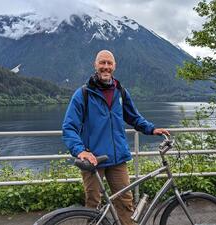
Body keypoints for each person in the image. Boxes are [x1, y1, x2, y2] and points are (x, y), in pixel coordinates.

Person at [62, 50, 169, 225]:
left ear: (114, 66)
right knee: (92, 205)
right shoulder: (83, 94)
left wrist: (152, 129)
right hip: (93, 158)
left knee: (125, 203)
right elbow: (69, 127)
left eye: (109, 63)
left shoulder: (120, 91)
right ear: (95, 65)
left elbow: (133, 117)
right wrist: (81, 151)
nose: (106, 67)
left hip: (118, 158)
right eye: (102, 63)